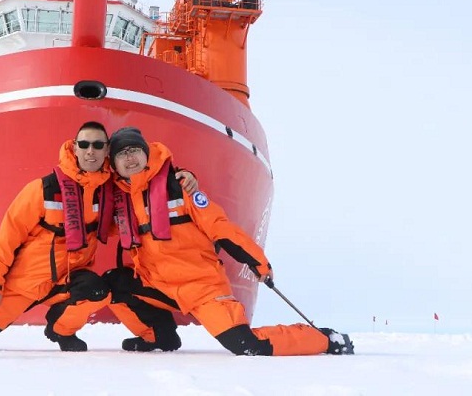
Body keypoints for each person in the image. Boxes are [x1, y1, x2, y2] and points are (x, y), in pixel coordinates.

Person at [0, 121, 198, 352]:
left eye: (98, 145)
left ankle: (60, 330)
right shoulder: (42, 189)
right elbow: (7, 241)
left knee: (98, 290)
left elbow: (145, 187)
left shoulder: (110, 192)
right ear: (75, 148)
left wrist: (180, 176)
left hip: (67, 281)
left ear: (106, 151)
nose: (91, 151)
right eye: (85, 144)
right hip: (23, 284)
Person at [100, 127, 354, 356]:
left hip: (201, 287)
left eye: (134, 150)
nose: (129, 158)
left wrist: (257, 262)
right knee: (112, 283)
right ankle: (159, 337)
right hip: (157, 284)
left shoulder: (180, 187)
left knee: (245, 345)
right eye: (121, 154)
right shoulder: (121, 201)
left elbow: (219, 227)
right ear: (113, 165)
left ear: (147, 153)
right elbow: (92, 223)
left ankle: (324, 339)